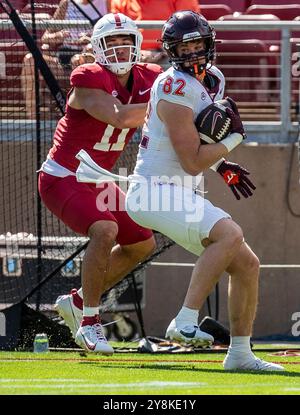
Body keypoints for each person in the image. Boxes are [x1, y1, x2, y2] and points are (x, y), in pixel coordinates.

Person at [124, 10, 284, 371]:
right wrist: (236, 139)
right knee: (229, 234)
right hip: (154, 189)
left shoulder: (213, 79)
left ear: (210, 43)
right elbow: (192, 160)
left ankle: (240, 354)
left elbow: (200, 145)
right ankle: (184, 320)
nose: (194, 52)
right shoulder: (173, 86)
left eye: (199, 43)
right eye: (186, 45)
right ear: (171, 50)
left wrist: (222, 164)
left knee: (246, 264)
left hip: (177, 188)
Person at [38, 12, 163, 354]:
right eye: (112, 43)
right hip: (63, 177)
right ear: (96, 48)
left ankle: (78, 301)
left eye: (126, 43)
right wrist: (162, 99)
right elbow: (120, 116)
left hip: (99, 180)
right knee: (105, 229)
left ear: (138, 45)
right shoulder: (88, 76)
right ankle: (90, 323)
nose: (121, 51)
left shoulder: (150, 76)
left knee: (142, 244)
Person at [21, 0, 109, 119]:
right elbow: (46, 37)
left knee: (80, 59)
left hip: (93, 60)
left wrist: (92, 41)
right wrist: (59, 36)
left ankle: (88, 119)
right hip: (63, 63)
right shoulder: (67, 3)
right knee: (30, 60)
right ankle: (32, 121)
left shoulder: (108, 3)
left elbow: (114, 39)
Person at [110, 0, 200, 64]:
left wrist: (163, 51)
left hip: (170, 55)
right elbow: (116, 36)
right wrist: (136, 53)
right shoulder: (119, 1)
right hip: (132, 56)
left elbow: (190, 30)